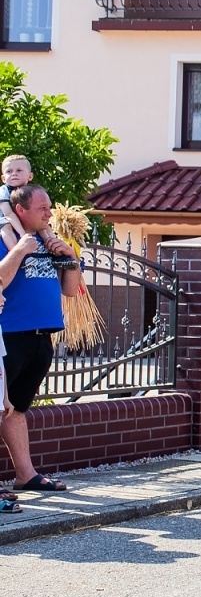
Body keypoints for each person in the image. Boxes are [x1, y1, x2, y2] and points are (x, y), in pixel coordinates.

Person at [0, 183, 82, 499]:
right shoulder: (7, 239)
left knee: (17, 408)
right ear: (20, 210)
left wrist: (71, 259)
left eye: (49, 208)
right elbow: (1, 280)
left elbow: (71, 290)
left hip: (41, 338)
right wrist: (19, 251)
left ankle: (26, 475)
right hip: (10, 336)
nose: (49, 214)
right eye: (42, 209)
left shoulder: (51, 243)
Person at [0, 154, 32, 249]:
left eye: (19, 170)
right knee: (6, 227)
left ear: (30, 176)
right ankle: (16, 251)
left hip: (19, 217)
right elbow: (8, 213)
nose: (14, 174)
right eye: (9, 171)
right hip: (4, 217)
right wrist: (23, 233)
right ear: (3, 179)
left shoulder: (30, 191)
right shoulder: (3, 191)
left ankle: (51, 241)